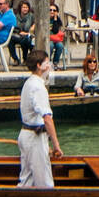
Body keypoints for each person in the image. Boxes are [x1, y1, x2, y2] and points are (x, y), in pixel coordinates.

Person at [17, 49, 63, 188]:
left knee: (27, 179)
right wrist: (56, 145)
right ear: (39, 65)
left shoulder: (29, 83)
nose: (49, 66)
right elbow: (47, 119)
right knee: (45, 183)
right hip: (34, 138)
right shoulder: (38, 87)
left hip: (28, 136)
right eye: (47, 63)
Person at [6, 0, 35, 65]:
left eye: (26, 7)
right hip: (18, 35)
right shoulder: (16, 16)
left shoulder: (32, 16)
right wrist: (20, 32)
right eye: (23, 7)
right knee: (10, 40)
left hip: (29, 36)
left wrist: (28, 33)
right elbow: (14, 27)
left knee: (26, 40)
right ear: (20, 8)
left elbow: (34, 26)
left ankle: (25, 58)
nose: (25, 9)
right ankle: (15, 59)